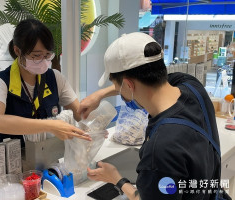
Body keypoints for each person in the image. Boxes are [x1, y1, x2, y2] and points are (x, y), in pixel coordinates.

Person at [79, 32, 222, 199]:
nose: (117, 91)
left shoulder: (160, 149)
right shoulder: (192, 86)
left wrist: (117, 179)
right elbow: (147, 81)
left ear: (128, 84)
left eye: (115, 85)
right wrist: (100, 95)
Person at [0, 19, 91, 146]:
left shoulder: (55, 78)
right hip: (13, 159)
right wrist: (50, 125)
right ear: (18, 51)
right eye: (36, 55)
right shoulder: (1, 82)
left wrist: (93, 127)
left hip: (47, 157)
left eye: (47, 55)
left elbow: (79, 114)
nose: (43, 61)